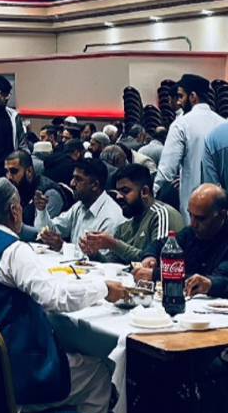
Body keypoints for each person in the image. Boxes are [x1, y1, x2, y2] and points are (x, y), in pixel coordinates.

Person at [0, 178, 127, 413]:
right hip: (12, 375)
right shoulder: (13, 250)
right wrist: (103, 289)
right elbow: (54, 297)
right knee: (99, 373)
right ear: (15, 211)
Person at [134, 184, 228, 298]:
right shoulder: (191, 233)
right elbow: (160, 245)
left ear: (222, 215)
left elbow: (216, 281)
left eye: (200, 218)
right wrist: (150, 256)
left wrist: (156, 275)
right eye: (190, 215)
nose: (193, 223)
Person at [79, 164, 184, 265]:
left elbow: (157, 261)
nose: (118, 196)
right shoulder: (125, 225)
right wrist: (94, 253)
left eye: (125, 191)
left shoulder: (161, 214)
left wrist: (115, 244)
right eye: (118, 191)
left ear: (144, 191)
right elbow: (113, 265)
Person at [154, 74, 224, 223]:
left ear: (193, 97)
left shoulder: (182, 124)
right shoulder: (222, 124)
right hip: (221, 209)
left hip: (194, 211)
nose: (178, 102)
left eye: (180, 96)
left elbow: (167, 170)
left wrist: (151, 192)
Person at [35, 158, 125, 252]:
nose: (72, 183)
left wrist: (62, 247)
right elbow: (50, 230)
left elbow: (100, 262)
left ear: (95, 185)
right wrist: (41, 210)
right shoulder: (80, 205)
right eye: (73, 178)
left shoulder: (110, 218)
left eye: (78, 179)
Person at [5, 150, 66, 226]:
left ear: (29, 171)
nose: (9, 177)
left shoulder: (49, 194)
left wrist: (14, 226)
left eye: (14, 171)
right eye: (6, 171)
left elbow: (44, 232)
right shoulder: (17, 188)